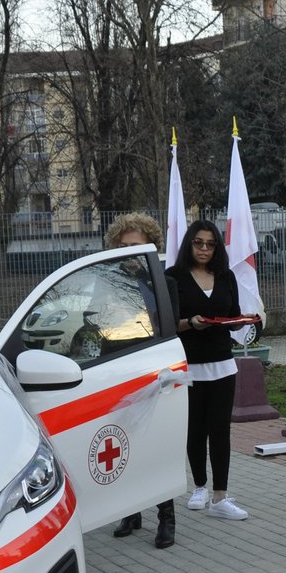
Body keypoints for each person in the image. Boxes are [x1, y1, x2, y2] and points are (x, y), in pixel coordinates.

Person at [105, 212, 181, 548]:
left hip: (155, 373)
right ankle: (130, 511)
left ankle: (167, 517)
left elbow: (172, 329)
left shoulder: (167, 284)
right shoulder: (106, 284)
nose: (129, 253)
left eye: (136, 247)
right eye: (123, 247)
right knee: (126, 444)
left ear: (151, 247)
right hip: (118, 372)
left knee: (158, 446)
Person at [167, 220, 251, 521]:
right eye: (198, 243)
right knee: (195, 430)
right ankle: (199, 486)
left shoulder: (226, 276)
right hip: (188, 365)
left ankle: (220, 496)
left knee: (220, 431)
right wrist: (191, 323)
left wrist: (241, 321)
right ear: (189, 244)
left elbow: (231, 315)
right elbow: (166, 323)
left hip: (222, 364)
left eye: (210, 244)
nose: (204, 249)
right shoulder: (173, 277)